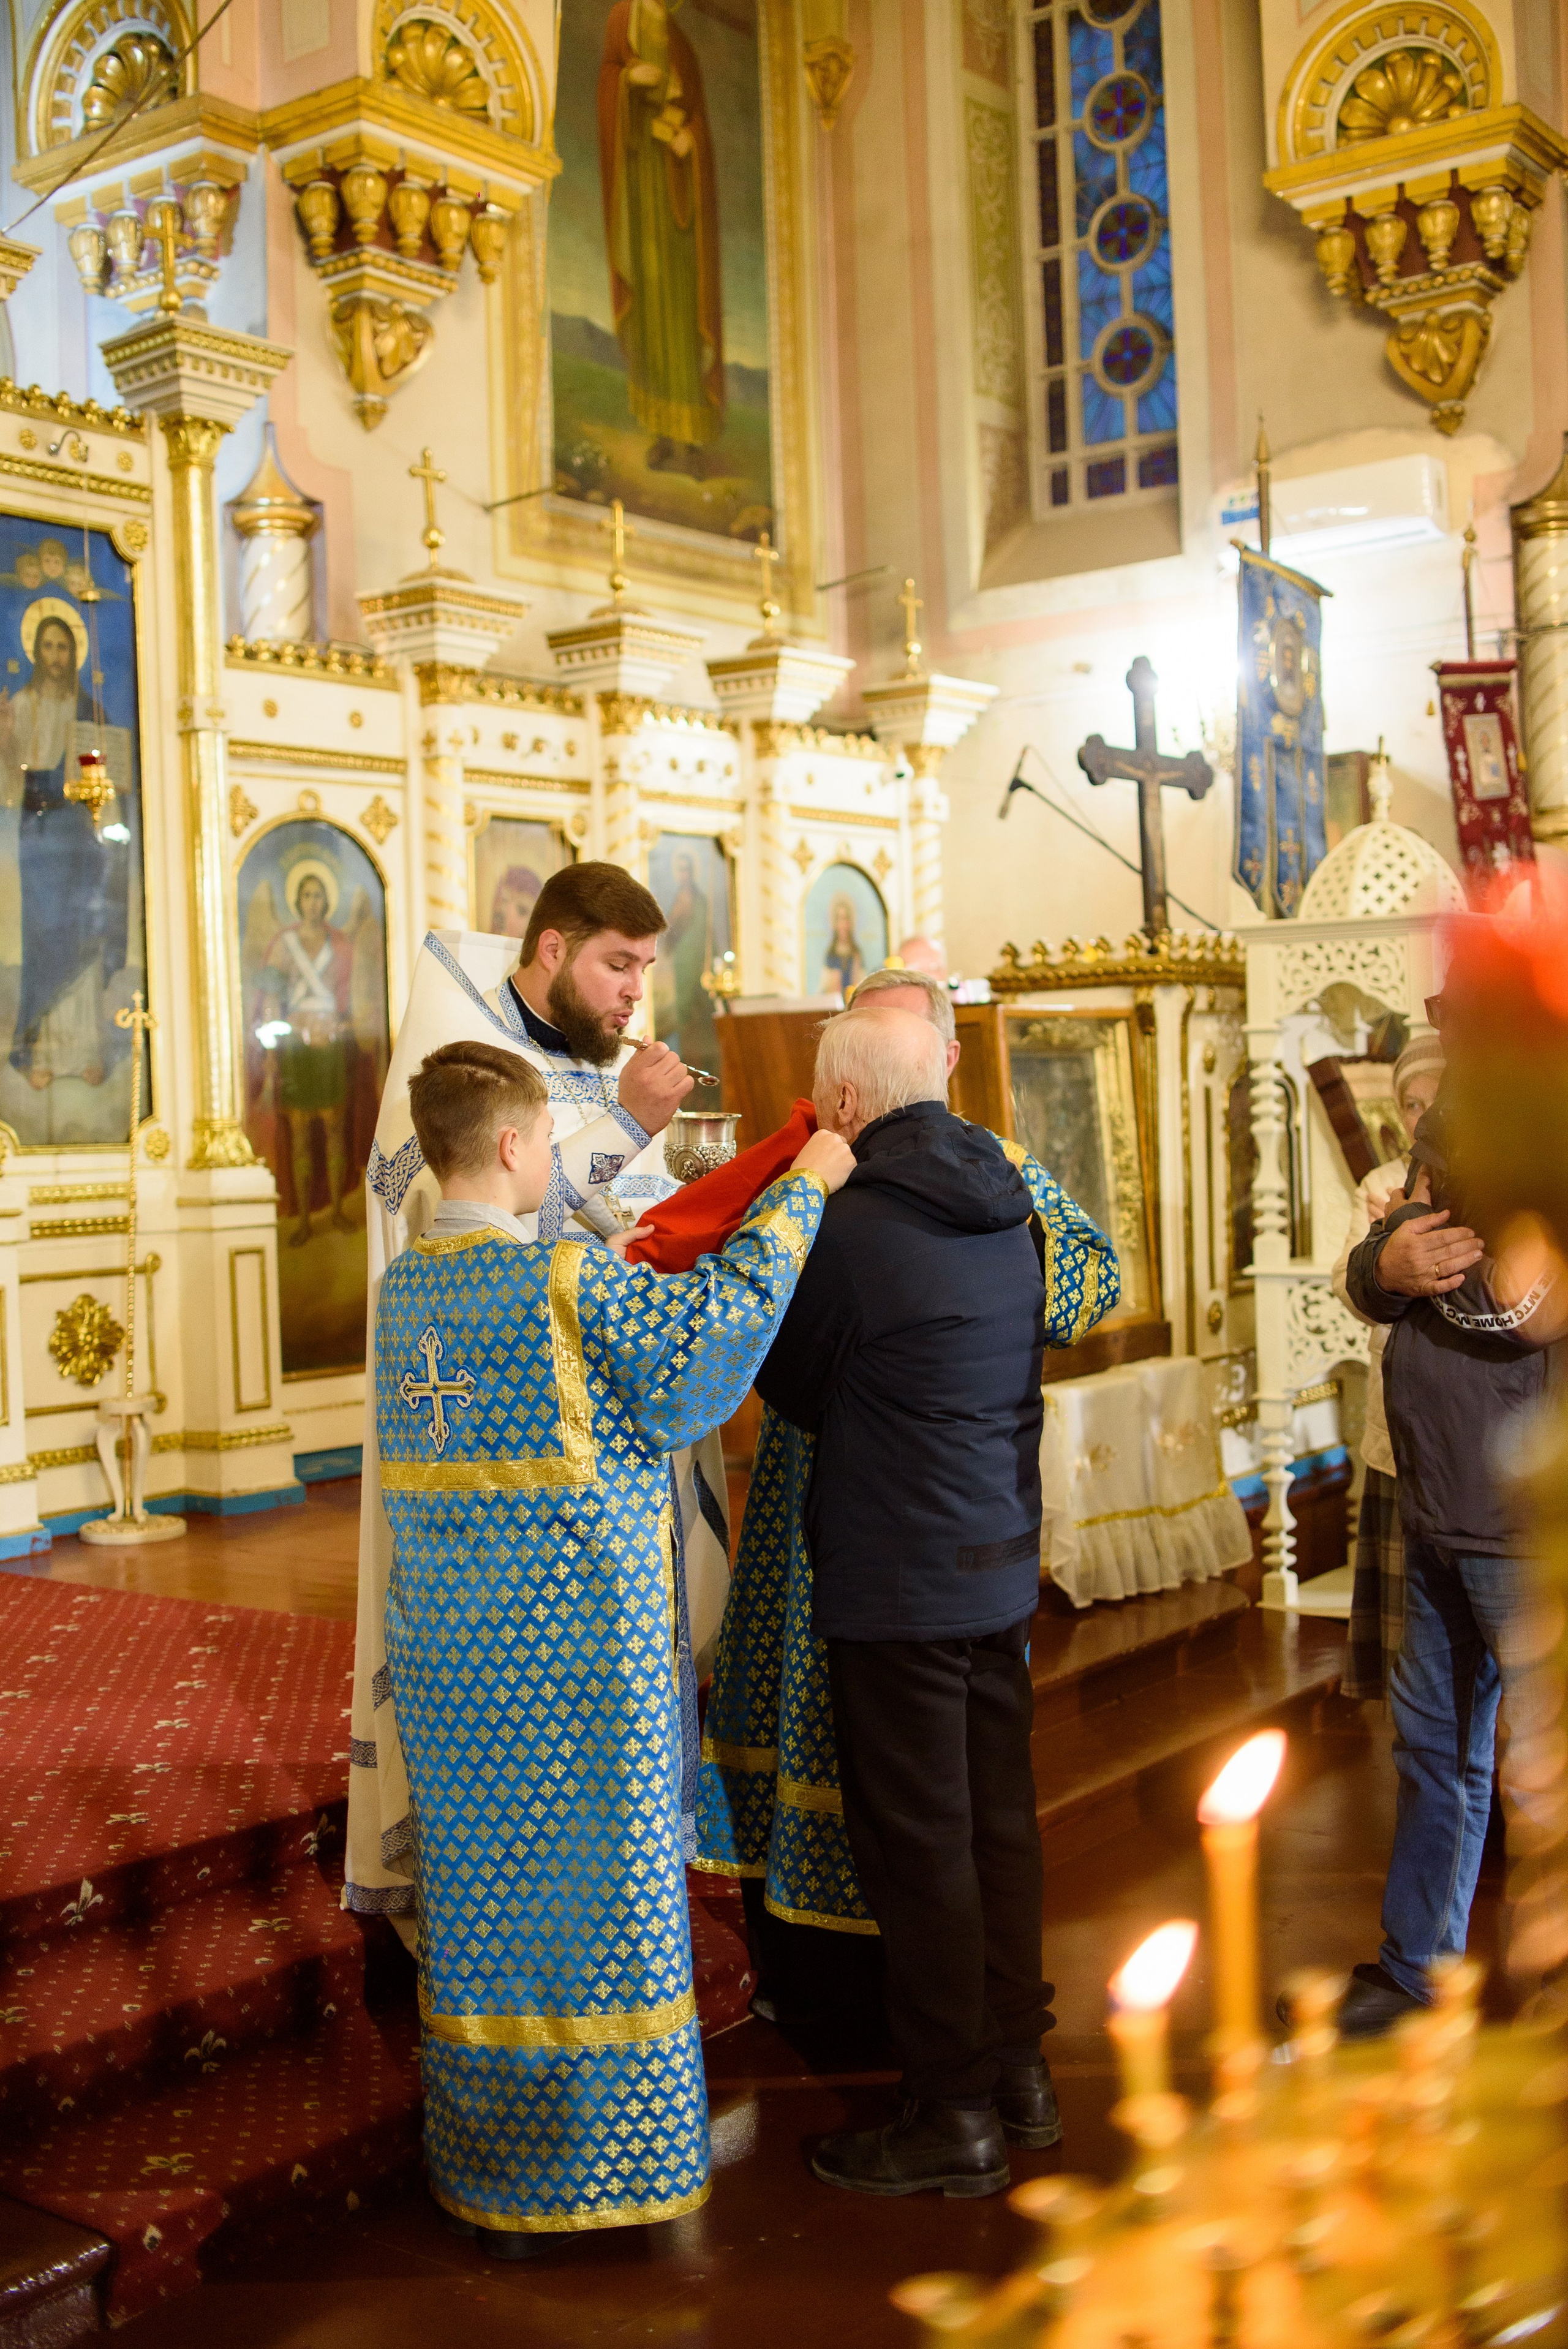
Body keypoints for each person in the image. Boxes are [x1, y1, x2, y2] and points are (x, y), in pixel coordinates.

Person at [379, 1038, 850, 2247]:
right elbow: (708, 1346)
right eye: (545, 1138)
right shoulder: (562, 1283)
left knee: (487, 1913)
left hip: (451, 1676)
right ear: (512, 1144)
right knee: (604, 1910)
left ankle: (492, 2158)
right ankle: (605, 2161)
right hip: (584, 1679)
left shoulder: (403, 1297)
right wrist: (803, 1190)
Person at [693, 966, 1118, 2027]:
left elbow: (1094, 1276)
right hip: (888, 1515)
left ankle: (947, 2073)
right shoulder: (830, 1172)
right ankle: (970, 2037)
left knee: (918, 1811)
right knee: (955, 1801)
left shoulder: (922, 1183)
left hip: (888, 1517)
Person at [345, 862, 718, 1936]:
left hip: (604, 1442)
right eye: (616, 964)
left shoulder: (585, 1058)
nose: (632, 994)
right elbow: (451, 1222)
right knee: (508, 1702)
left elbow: (607, 1230)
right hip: (489, 1454)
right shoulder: (455, 1051)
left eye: (646, 969)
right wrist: (623, 1130)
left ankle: (618, 1871)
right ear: (552, 948)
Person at [738, 1008, 1057, 2198]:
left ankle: (950, 2113)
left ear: (845, 1109)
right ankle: (1019, 2074)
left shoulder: (850, 1223)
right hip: (994, 1559)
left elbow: (788, 1379)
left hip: (896, 1571)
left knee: (918, 1846)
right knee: (997, 1827)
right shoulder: (1005, 1202)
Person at [1330, 1085, 1565, 2038]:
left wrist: (1418, 1243)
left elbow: (1530, 1302)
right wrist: (1390, 1256)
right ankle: (1416, 1967)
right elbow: (1368, 1279)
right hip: (1431, 1496)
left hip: (1518, 1510)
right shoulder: (1466, 1109)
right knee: (1434, 1749)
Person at [1335, 1034, 1446, 1702]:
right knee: (1413, 1644)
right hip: (1397, 1426)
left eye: (1435, 1100)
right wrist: (1383, 1254)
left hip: (1466, 1433)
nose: (1421, 1115)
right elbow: (1352, 1288)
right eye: (1410, 1102)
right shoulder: (1379, 1184)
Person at [598, 0, 723, 475]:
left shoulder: (681, 43)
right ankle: (662, 431)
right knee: (651, 301)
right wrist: (628, 82)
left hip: (678, 204)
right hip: (641, 194)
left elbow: (698, 120)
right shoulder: (621, 20)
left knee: (681, 306)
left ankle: (689, 433)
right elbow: (609, 83)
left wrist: (690, 139)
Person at [1, 611, 122, 1088]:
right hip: (40, 832)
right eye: (48, 647)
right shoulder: (23, 705)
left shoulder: (90, 711)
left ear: (74, 654)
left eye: (63, 648)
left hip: (80, 832)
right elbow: (11, 785)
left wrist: (107, 832)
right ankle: (39, 1051)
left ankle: (85, 1051)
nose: (56, 657)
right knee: (46, 934)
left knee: (82, 930)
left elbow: (108, 784)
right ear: (36, 652)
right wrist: (6, 738)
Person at [257, 867, 359, 1248]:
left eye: (319, 896)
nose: (313, 903)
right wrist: (269, 1049)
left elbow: (350, 999)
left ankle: (335, 1211)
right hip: (297, 1047)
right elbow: (269, 1000)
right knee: (299, 1135)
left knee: (334, 1131)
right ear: (297, 902)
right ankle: (302, 1219)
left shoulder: (341, 944)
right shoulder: (285, 945)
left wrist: (342, 1027)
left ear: (327, 901)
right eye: (307, 896)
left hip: (330, 1044)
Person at [819, 895, 865, 999]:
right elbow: (825, 985)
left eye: (845, 919)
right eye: (839, 919)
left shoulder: (856, 953)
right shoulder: (831, 954)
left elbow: (861, 981)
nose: (843, 924)